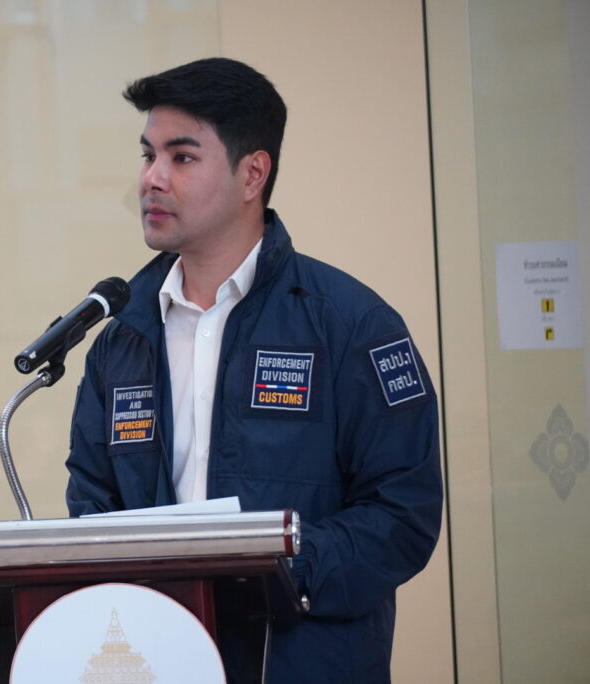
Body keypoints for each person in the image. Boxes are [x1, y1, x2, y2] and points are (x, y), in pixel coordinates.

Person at [64, 58, 443, 684]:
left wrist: (275, 570)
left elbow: (403, 514)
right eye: (148, 155)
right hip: (160, 662)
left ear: (252, 174)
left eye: (182, 157)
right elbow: (92, 502)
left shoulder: (351, 325)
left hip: (301, 661)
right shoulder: (122, 338)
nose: (152, 177)